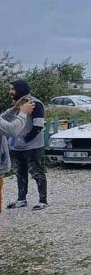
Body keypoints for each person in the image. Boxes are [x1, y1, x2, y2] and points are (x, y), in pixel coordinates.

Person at [4, 80, 47, 210]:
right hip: (16, 147)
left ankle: (43, 200)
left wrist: (25, 139)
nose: (10, 92)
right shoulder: (16, 105)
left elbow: (38, 126)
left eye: (12, 89)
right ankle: (21, 199)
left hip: (32, 146)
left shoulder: (35, 104)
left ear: (20, 89)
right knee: (19, 173)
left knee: (36, 172)